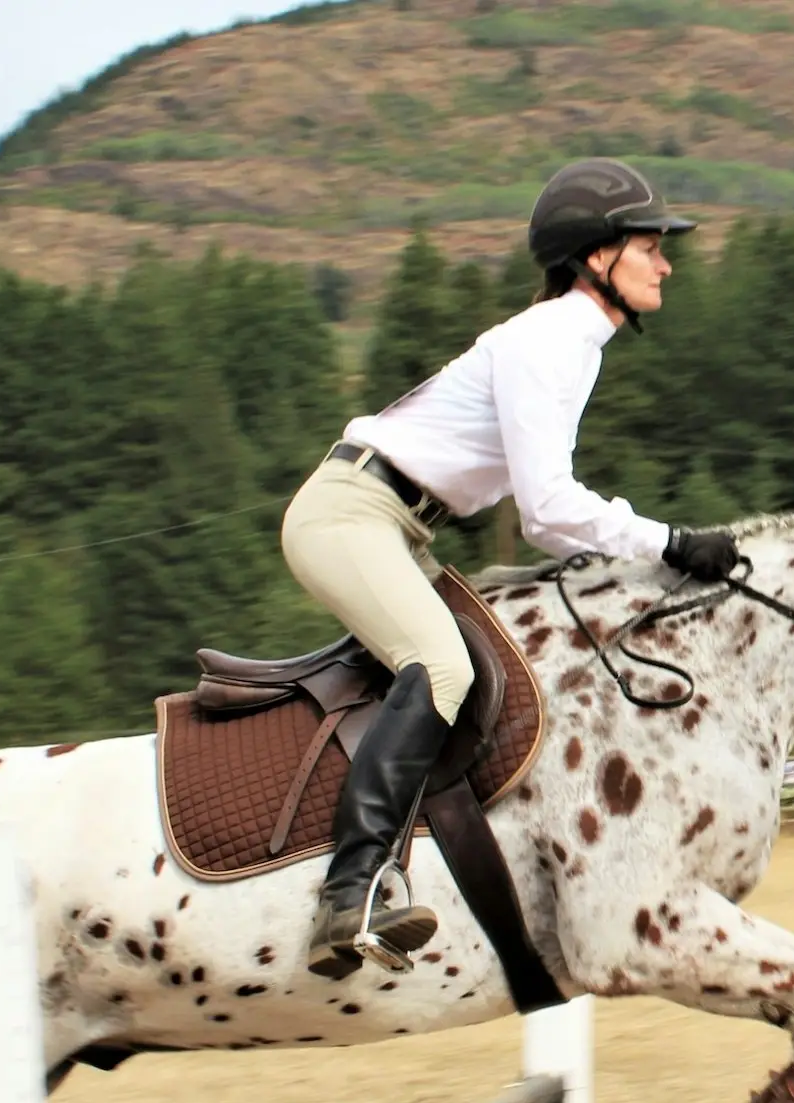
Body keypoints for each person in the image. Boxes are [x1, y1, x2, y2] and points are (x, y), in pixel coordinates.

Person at [281, 157, 741, 967]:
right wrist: (668, 543)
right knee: (445, 670)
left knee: (505, 666)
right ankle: (350, 894)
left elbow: (550, 522)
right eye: (649, 246)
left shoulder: (575, 344)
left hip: (397, 525)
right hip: (351, 514)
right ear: (598, 257)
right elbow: (549, 509)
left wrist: (643, 554)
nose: (666, 262)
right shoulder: (550, 340)